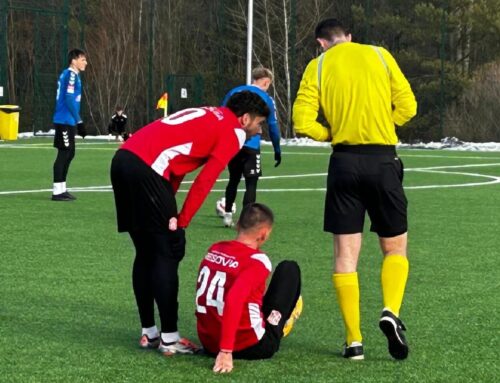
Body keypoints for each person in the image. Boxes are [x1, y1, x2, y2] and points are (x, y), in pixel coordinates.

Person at [292, 19, 417, 360]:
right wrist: (383, 121)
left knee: (345, 256)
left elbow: (302, 120)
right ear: (349, 37)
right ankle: (390, 310)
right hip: (383, 161)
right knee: (394, 248)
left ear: (321, 43)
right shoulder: (379, 55)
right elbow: (409, 106)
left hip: (344, 162)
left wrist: (329, 134)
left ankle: (354, 341)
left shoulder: (316, 67)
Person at [110, 91, 270, 356]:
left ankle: (149, 332)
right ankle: (169, 338)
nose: (259, 130)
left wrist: (169, 206)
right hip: (147, 168)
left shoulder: (211, 112)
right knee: (166, 253)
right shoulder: (234, 132)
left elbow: (177, 164)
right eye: (259, 123)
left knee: (145, 252)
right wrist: (181, 222)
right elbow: (205, 180)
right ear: (245, 119)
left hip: (124, 159)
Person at [195, 203, 302, 374]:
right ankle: (280, 323)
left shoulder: (215, 249)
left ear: (238, 224)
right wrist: (226, 350)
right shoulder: (257, 260)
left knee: (249, 292)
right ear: (264, 234)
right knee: (289, 268)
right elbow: (234, 299)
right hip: (251, 346)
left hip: (209, 343)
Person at [220, 67, 282, 227]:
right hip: (252, 145)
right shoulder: (266, 98)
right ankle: (244, 221)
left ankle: (227, 216)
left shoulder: (234, 91)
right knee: (251, 183)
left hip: (234, 143)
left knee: (233, 180)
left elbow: (222, 114)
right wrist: (277, 148)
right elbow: (273, 126)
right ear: (266, 82)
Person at [51, 48, 88, 201]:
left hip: (69, 120)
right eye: (82, 59)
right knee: (64, 153)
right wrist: (79, 121)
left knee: (70, 153)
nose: (85, 62)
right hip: (64, 120)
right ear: (74, 61)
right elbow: (68, 99)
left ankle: (62, 188)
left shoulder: (72, 76)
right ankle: (57, 191)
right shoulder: (71, 75)